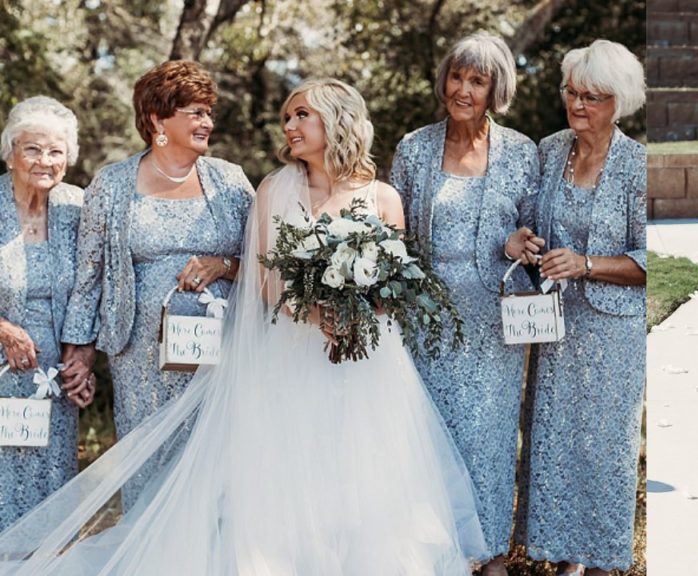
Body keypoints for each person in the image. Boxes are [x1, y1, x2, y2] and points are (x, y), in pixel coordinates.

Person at [0, 78, 487, 574]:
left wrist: (360, 314)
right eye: (288, 118)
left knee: (366, 470)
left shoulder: (381, 196)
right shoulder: (274, 187)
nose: (290, 126)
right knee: (289, 473)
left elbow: (394, 281)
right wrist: (317, 314)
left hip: (368, 359)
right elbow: (265, 277)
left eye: (301, 115)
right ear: (156, 122)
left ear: (336, 120)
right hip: (282, 350)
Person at [60, 61, 254, 507]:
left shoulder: (230, 180)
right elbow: (90, 276)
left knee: (217, 470)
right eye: (196, 112)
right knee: (150, 472)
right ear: (157, 119)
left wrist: (222, 264)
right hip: (141, 359)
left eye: (209, 112)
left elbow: (263, 264)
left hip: (221, 355)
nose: (208, 122)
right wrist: (81, 351)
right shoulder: (110, 184)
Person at [389, 31, 539, 575]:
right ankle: (435, 554)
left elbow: (533, 227)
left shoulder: (521, 152)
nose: (464, 89)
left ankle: (491, 553)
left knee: (490, 437)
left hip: (494, 317)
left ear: (495, 88)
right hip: (423, 316)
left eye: (478, 80)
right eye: (457, 76)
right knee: (427, 434)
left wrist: (521, 243)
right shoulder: (414, 147)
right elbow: (392, 234)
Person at [511, 40, 646, 576]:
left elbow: (649, 255)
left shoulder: (638, 164)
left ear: (620, 100)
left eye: (592, 95)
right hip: (551, 324)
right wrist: (519, 240)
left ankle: (601, 557)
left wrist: (588, 263)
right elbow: (524, 219)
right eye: (572, 91)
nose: (578, 104)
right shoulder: (547, 150)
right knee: (550, 439)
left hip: (612, 329)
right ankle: (561, 555)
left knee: (605, 444)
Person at [0, 96, 96, 532]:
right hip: (3, 365)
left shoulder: (76, 207)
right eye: (33, 149)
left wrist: (83, 357)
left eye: (56, 151)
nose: (45, 160)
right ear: (10, 152)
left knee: (51, 486)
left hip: (52, 374)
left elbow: (92, 286)